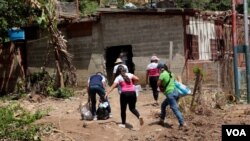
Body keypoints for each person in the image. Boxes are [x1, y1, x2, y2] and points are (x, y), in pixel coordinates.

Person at [157, 63, 186, 129]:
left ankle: (182, 124)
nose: (158, 70)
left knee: (175, 109)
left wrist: (160, 83)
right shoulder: (171, 73)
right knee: (163, 105)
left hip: (170, 94)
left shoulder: (162, 74)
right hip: (175, 92)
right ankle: (161, 120)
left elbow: (158, 83)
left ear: (160, 69)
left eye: (158, 69)